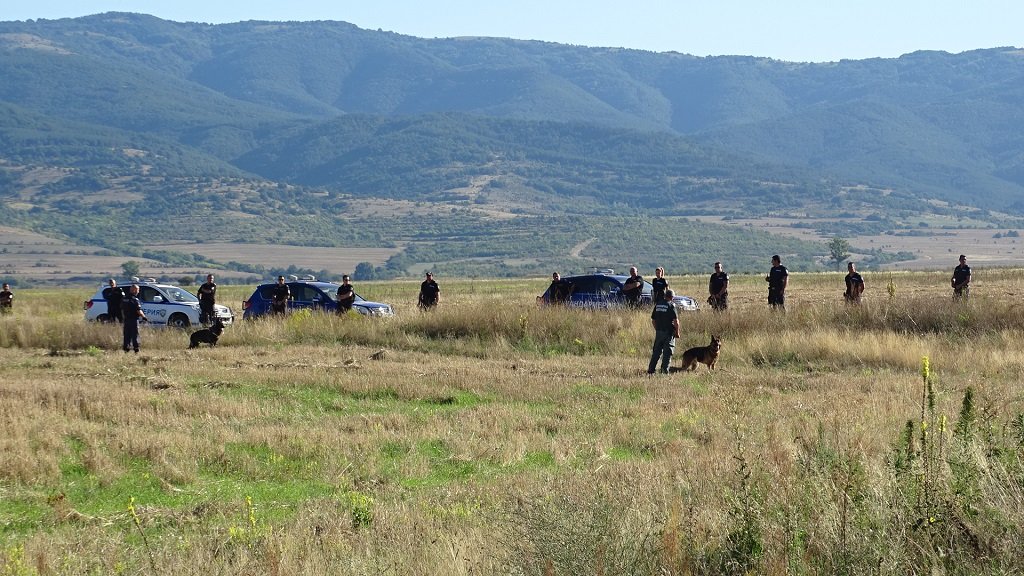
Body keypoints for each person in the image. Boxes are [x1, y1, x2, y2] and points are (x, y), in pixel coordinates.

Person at [648, 289, 680, 375]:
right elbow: (676, 321)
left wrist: (657, 329)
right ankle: (664, 372)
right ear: (672, 297)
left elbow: (653, 320)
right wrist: (677, 332)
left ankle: (651, 370)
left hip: (659, 332)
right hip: (669, 333)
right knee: (667, 353)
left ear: (665, 296)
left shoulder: (658, 304)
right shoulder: (671, 305)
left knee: (656, 353)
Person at [121, 284, 147, 353]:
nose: (138, 291)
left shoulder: (124, 299)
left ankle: (126, 349)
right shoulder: (135, 299)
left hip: (126, 320)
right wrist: (144, 317)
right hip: (133, 320)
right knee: (135, 335)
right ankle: (136, 349)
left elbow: (122, 309)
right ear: (134, 290)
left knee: (126, 335)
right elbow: (138, 310)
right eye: (138, 290)